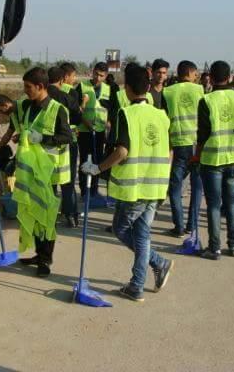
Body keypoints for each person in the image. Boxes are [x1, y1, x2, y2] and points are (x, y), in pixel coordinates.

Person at [81, 65, 173, 302]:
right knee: (141, 235)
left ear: (128, 89)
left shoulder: (127, 114)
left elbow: (122, 151)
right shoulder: (160, 115)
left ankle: (154, 266)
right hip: (156, 185)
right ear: (149, 87)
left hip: (135, 187)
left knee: (122, 229)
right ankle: (140, 281)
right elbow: (169, 151)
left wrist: (98, 167)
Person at [14, 67, 73, 277]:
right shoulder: (29, 107)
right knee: (34, 212)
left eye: (28, 87)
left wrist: (44, 139)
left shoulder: (57, 109)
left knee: (47, 216)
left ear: (40, 87)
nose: (25, 90)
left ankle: (46, 260)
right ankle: (39, 253)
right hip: (31, 171)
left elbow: (67, 137)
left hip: (49, 172)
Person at [195, 60, 234, 260]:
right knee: (231, 203)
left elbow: (203, 134)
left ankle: (214, 247)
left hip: (213, 159)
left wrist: (197, 156)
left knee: (214, 205)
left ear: (210, 77)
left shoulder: (207, 100)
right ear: (230, 77)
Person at [162, 60, 204, 237]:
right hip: (197, 144)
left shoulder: (168, 92)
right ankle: (192, 225)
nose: (197, 77)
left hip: (179, 143)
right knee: (196, 187)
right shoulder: (200, 90)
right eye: (195, 74)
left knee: (175, 186)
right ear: (190, 73)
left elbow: (165, 118)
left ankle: (178, 226)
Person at [48, 66, 82, 227]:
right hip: (68, 141)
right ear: (62, 79)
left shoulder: (41, 95)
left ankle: (50, 214)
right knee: (67, 179)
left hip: (46, 143)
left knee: (49, 180)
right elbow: (77, 117)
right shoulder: (69, 95)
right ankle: (70, 215)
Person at [77, 62, 111, 198]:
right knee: (85, 160)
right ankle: (84, 191)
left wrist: (108, 125)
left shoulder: (108, 89)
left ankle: (94, 190)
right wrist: (86, 123)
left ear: (106, 76)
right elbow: (77, 110)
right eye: (96, 74)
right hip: (85, 130)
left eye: (101, 75)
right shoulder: (82, 86)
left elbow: (110, 110)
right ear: (92, 72)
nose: (98, 77)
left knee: (97, 161)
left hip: (100, 131)